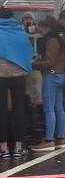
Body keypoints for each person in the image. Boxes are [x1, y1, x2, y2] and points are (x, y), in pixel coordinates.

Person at [30, 17, 65, 152]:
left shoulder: (51, 40)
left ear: (47, 27)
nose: (38, 30)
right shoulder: (62, 39)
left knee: (49, 109)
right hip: (62, 75)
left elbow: (49, 63)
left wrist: (32, 64)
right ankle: (61, 138)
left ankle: (48, 140)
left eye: (41, 27)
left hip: (52, 76)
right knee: (59, 108)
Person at [0, 9, 33, 158]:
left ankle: (4, 148)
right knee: (19, 109)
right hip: (19, 75)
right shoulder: (21, 33)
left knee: (2, 111)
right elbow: (28, 52)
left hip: (0, 76)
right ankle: (19, 147)